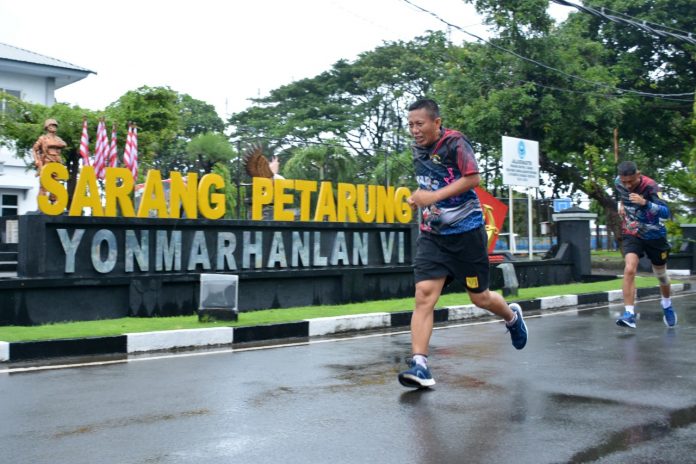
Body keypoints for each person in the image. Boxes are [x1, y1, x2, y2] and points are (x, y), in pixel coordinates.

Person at [398, 98, 528, 389]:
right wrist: (419, 196)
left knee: (479, 297)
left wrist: (431, 198)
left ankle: (511, 316)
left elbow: (473, 179)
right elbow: (431, 183)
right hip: (432, 234)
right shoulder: (417, 149)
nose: (414, 130)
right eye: (410, 125)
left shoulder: (455, 142)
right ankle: (420, 364)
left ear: (437, 122)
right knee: (424, 295)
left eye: (419, 124)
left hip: (466, 234)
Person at [614, 160, 676, 329]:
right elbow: (621, 193)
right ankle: (629, 314)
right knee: (629, 269)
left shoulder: (652, 187)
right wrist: (620, 204)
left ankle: (667, 304)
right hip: (631, 232)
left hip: (655, 236)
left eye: (631, 181)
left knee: (661, 275)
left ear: (639, 175)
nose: (627, 185)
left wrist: (645, 203)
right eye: (624, 181)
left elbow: (666, 212)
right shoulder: (618, 182)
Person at [32, 118, 67, 203]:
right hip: (46, 161)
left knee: (56, 183)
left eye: (55, 126)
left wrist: (53, 144)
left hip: (56, 162)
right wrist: (36, 160)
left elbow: (64, 144)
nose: (54, 127)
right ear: (47, 127)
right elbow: (34, 149)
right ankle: (42, 204)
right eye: (51, 125)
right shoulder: (43, 138)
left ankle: (55, 202)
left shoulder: (58, 138)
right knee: (44, 183)